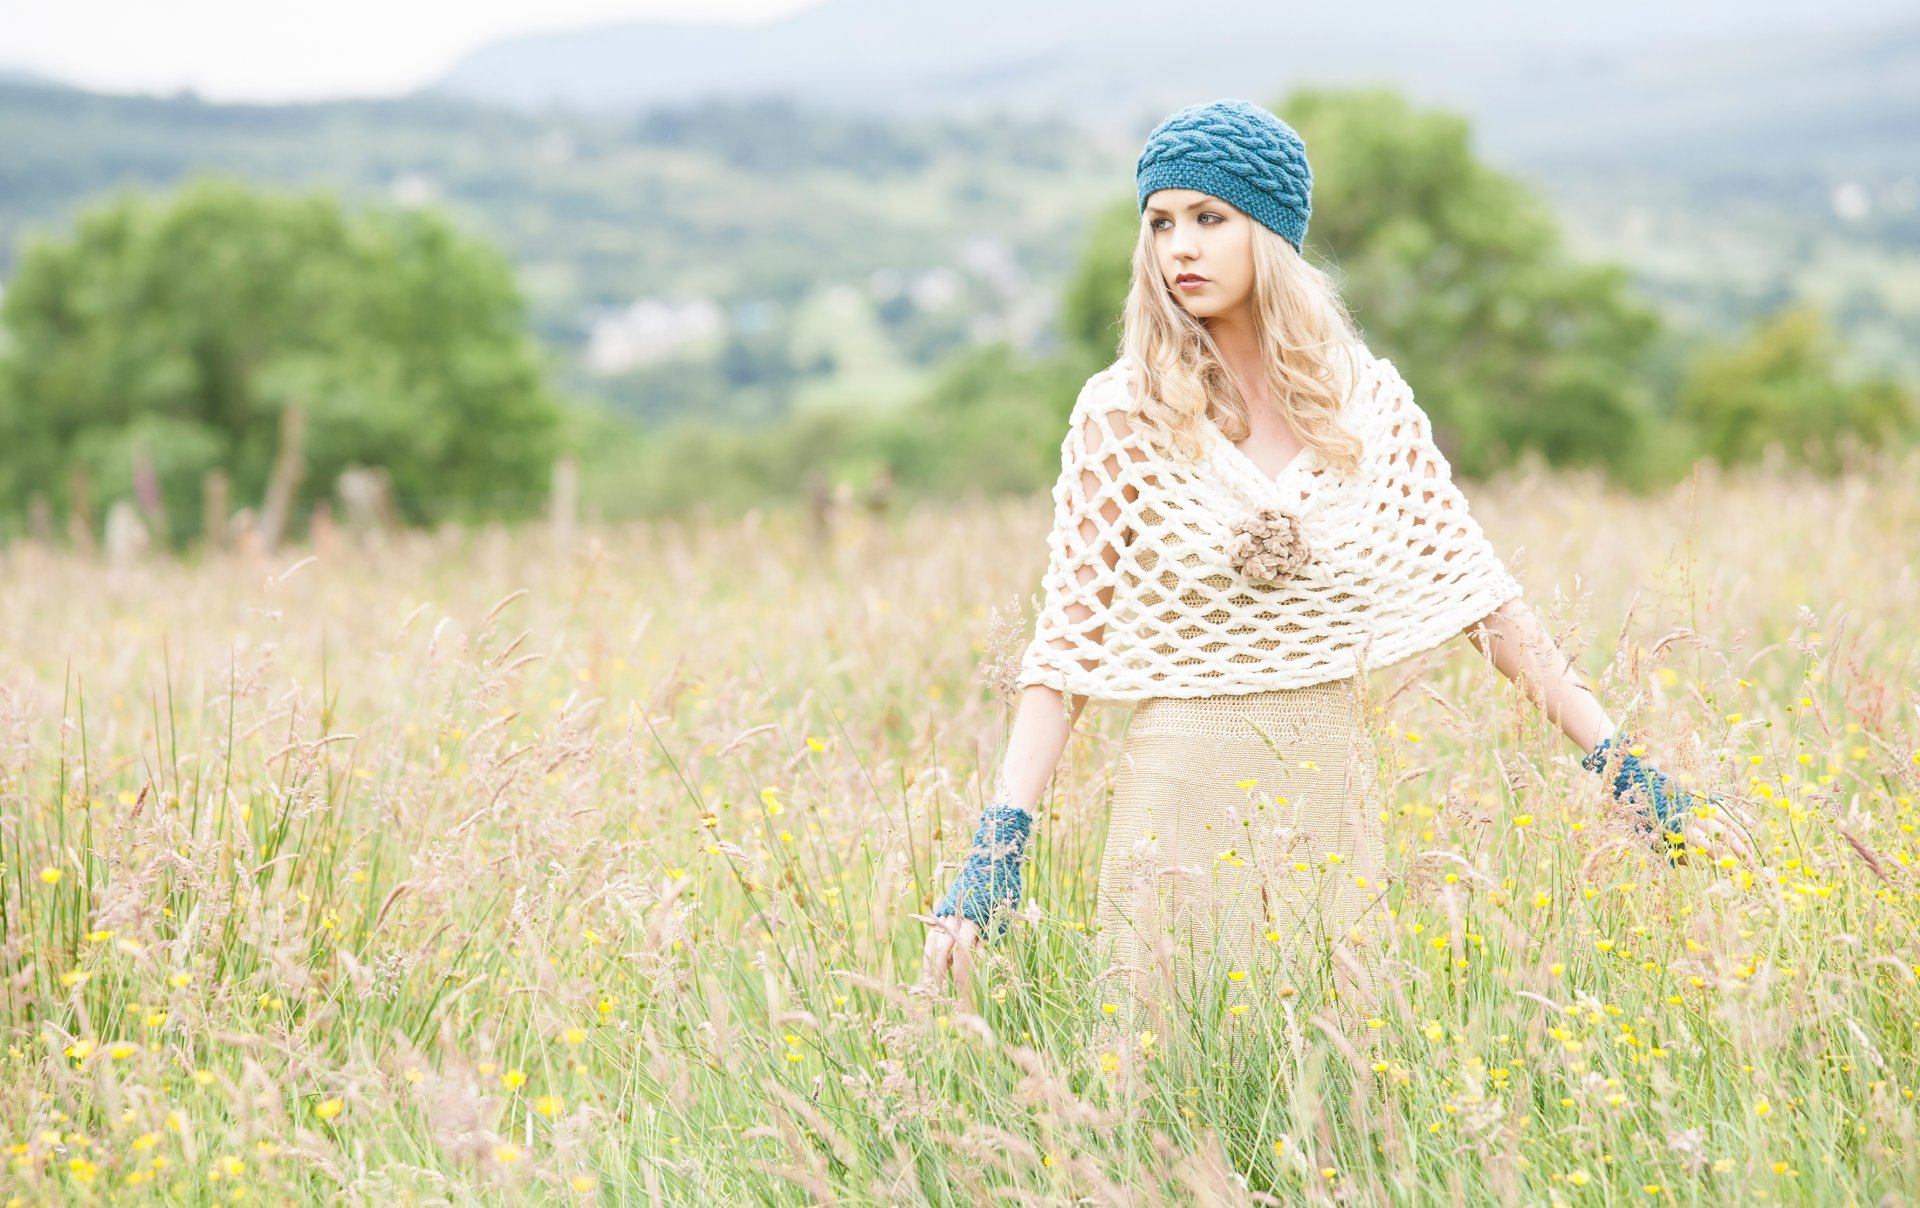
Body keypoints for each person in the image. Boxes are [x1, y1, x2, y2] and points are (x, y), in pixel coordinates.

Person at [914, 99, 1756, 1023]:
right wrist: (999, 842)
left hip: (1328, 800)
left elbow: (1486, 604)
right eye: (1160, 223)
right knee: (1164, 1093)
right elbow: (1065, 646)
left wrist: (1628, 774)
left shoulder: (1370, 407)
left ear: (1269, 233)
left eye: (1210, 218)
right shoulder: (1120, 414)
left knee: (1335, 1092)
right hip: (1173, 804)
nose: (1178, 248)